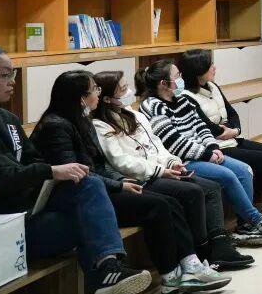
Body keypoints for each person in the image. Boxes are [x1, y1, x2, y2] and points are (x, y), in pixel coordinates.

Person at [31, 71, 231, 293]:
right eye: (95, 89)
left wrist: (119, 180)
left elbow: (99, 165)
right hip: (80, 198)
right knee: (158, 206)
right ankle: (170, 276)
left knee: (169, 202)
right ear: (81, 98)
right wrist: (119, 184)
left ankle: (189, 265)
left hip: (100, 187)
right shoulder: (57, 126)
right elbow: (76, 174)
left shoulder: (80, 121)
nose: (98, 93)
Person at [0, 47, 152, 294]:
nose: (12, 81)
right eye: (5, 75)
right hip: (5, 227)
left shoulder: (9, 119)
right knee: (91, 218)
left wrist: (47, 173)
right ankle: (104, 275)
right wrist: (49, 171)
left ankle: (107, 271)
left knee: (89, 192)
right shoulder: (56, 124)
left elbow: (32, 160)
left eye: (13, 74)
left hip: (31, 210)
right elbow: (1, 177)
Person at [91, 70, 255, 269]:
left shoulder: (134, 115)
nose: (129, 92)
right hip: (141, 177)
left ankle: (219, 246)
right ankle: (203, 252)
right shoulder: (100, 125)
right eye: (123, 89)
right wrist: (161, 170)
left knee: (210, 187)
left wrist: (171, 162)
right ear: (107, 98)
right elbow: (122, 162)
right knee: (193, 191)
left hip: (163, 168)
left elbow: (156, 145)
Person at [137, 60, 262, 243]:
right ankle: (256, 220)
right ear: (163, 83)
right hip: (181, 161)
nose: (181, 79)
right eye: (177, 76)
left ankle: (245, 226)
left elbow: (201, 128)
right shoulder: (152, 106)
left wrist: (213, 147)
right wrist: (207, 154)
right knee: (228, 175)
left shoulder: (182, 100)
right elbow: (173, 143)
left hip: (203, 154)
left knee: (245, 170)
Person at [177, 49, 262, 225]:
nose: (214, 67)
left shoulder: (213, 86)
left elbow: (232, 113)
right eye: (210, 65)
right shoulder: (186, 97)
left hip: (231, 138)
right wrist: (223, 132)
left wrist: (235, 130)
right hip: (217, 146)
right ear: (198, 70)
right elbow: (205, 126)